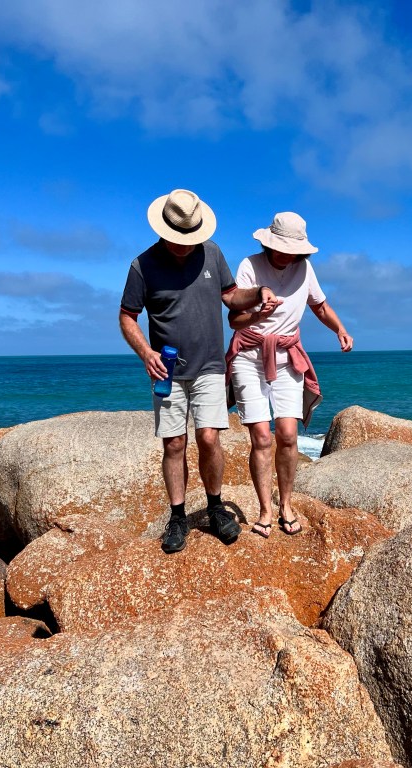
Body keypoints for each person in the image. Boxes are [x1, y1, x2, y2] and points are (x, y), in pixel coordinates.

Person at [120, 189, 280, 554]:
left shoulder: (213, 252)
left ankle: (214, 507)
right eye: (179, 239)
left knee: (209, 437)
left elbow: (231, 296)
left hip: (209, 363)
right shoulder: (142, 266)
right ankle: (177, 516)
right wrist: (145, 352)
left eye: (190, 239)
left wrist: (258, 293)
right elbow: (127, 315)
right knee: (174, 443)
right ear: (164, 231)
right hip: (167, 368)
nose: (185, 246)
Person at [225, 212, 352, 538]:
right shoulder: (250, 266)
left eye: (292, 249)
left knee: (288, 435)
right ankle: (266, 509)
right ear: (268, 243)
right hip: (249, 357)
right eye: (280, 247)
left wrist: (340, 329)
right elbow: (234, 321)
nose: (286, 254)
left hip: (286, 358)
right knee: (262, 438)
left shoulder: (305, 269)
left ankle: (286, 504)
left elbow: (320, 306)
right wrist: (256, 313)